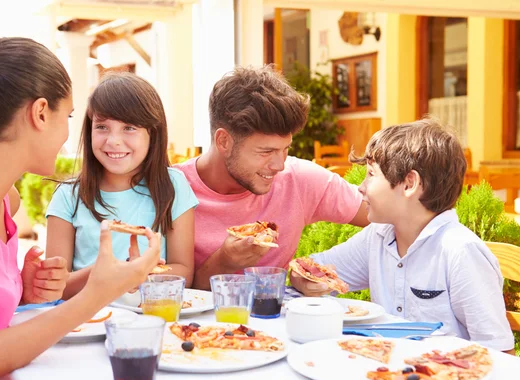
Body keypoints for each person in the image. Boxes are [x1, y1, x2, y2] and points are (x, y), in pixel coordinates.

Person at [0, 38, 161, 380]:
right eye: (67, 117)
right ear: (41, 112)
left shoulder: (5, 200)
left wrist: (19, 292)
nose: (68, 136)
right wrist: (93, 296)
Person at [308, 118, 515, 352]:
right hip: (386, 374)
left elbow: (499, 353)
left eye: (370, 174)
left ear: (409, 183)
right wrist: (307, 279)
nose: (361, 187)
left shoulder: (459, 252)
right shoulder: (377, 237)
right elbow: (312, 269)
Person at [174, 65, 369, 291]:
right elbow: (164, 290)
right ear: (224, 141)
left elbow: (394, 216)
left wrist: (321, 267)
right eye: (266, 152)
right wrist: (225, 262)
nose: (279, 165)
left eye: (285, 149)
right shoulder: (171, 189)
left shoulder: (301, 180)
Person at [45, 72, 198, 298]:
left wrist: (140, 274)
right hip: (87, 322)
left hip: (151, 319)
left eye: (129, 128)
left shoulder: (173, 185)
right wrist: (107, 273)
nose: (113, 140)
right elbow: (55, 287)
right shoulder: (67, 197)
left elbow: (184, 270)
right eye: (102, 127)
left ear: (152, 134)